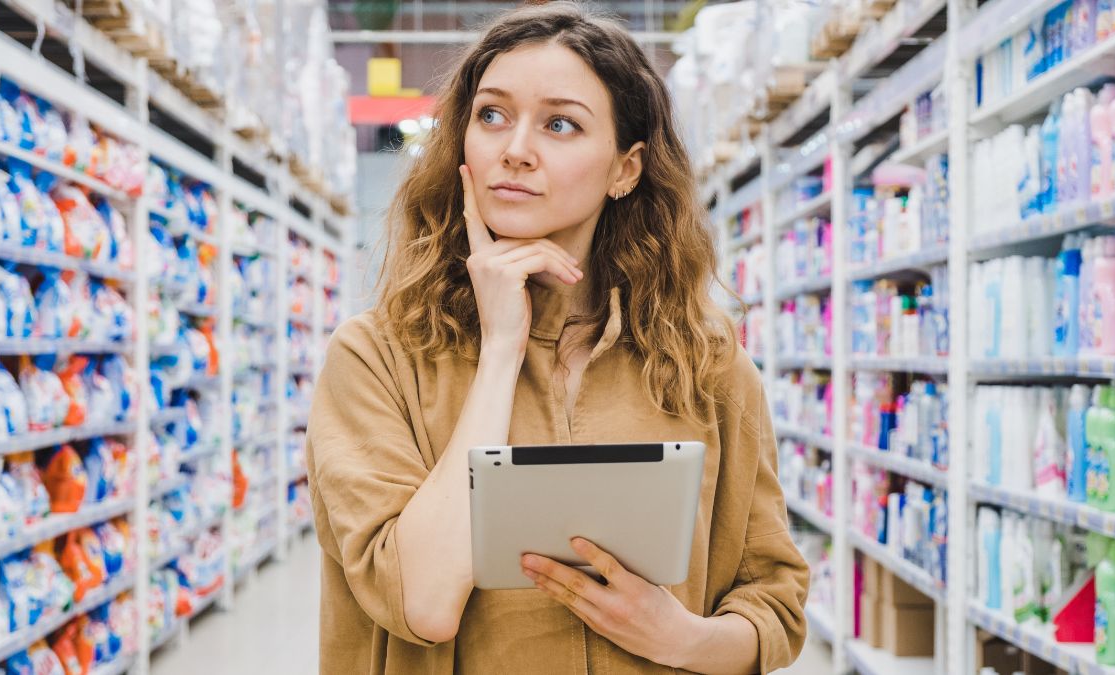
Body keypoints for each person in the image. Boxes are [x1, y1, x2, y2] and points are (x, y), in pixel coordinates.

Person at [306, 3, 809, 673]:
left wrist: (681, 637)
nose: (515, 147)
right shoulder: (375, 360)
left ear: (626, 169)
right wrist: (501, 352)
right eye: (491, 115)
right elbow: (420, 600)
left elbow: (774, 602)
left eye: (560, 123)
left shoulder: (706, 366)